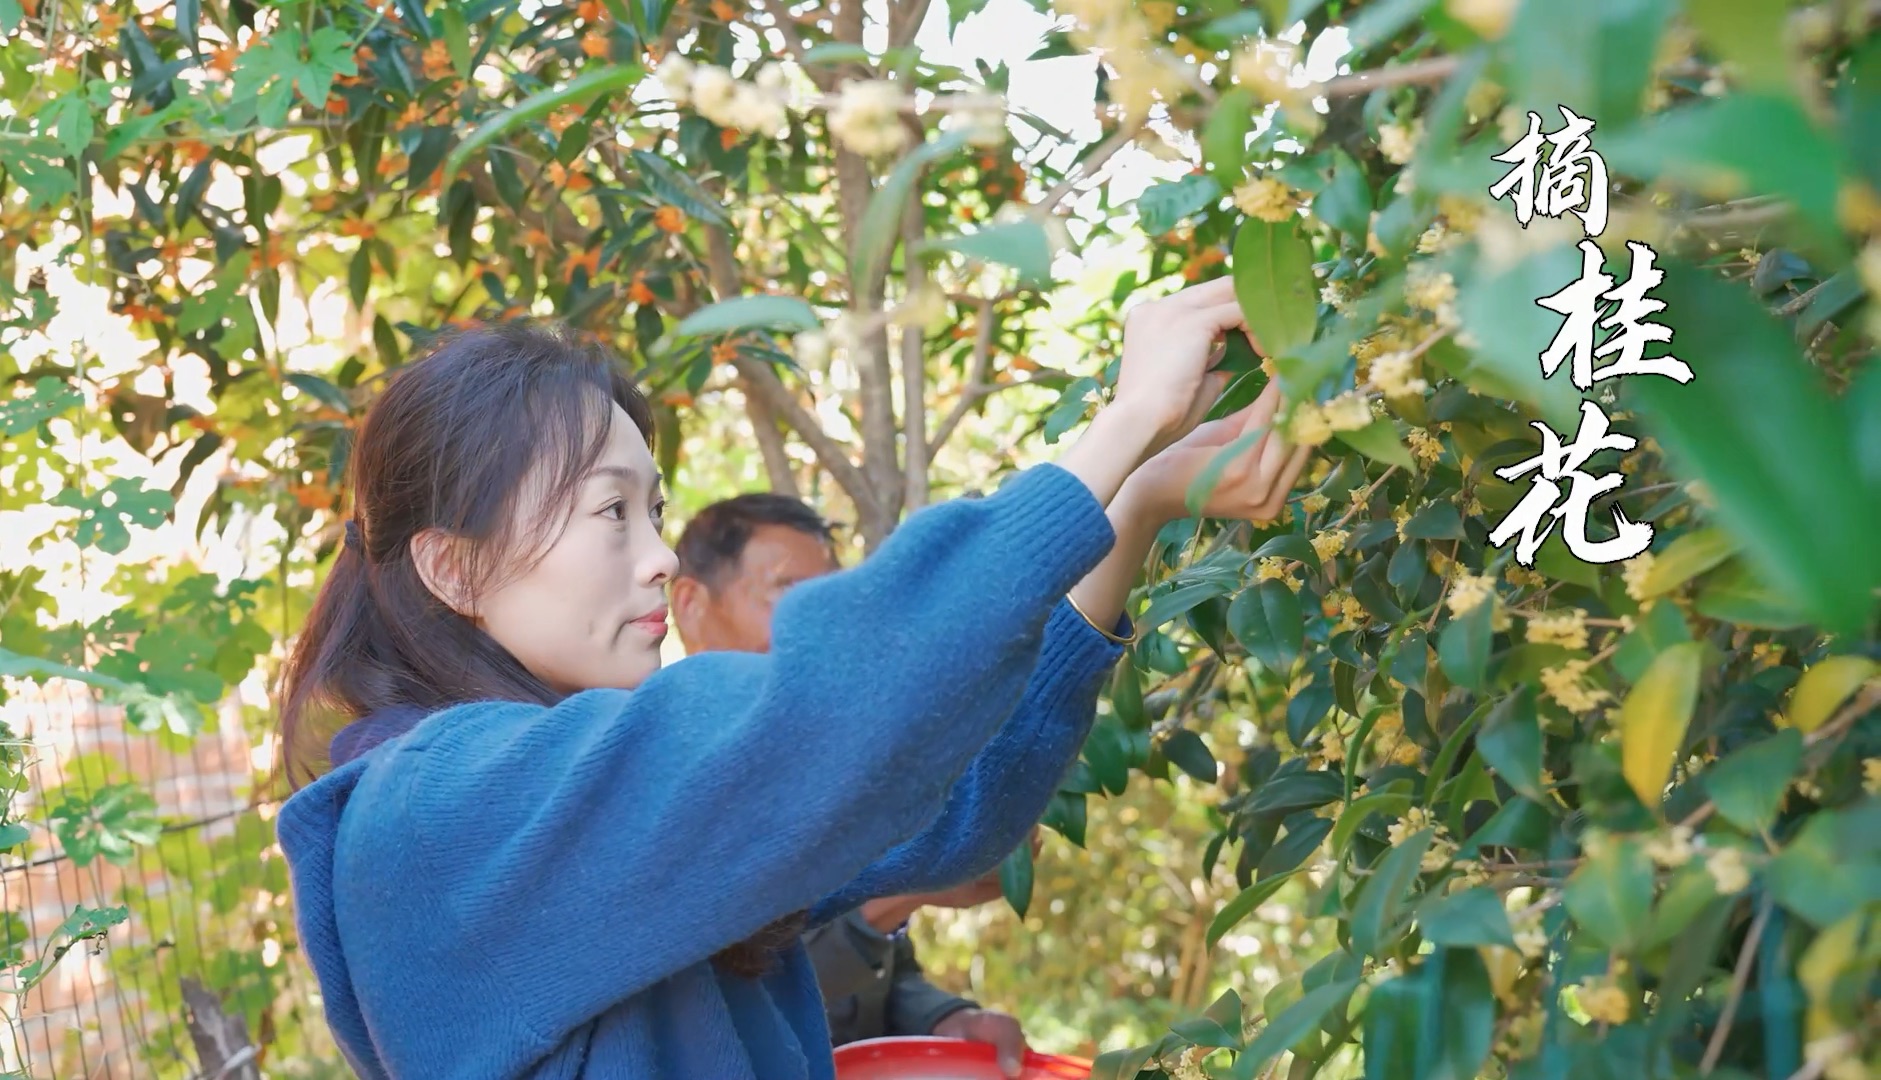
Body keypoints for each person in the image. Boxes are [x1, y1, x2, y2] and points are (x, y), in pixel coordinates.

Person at [274, 277, 1311, 1080]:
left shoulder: (572, 807)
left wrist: (1134, 508)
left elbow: (954, 816)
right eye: (610, 512)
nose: (660, 556)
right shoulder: (440, 810)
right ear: (454, 565)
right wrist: (1123, 423)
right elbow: (834, 709)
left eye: (654, 508)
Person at [669, 494, 1029, 1068]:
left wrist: (945, 1019)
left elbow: (883, 974)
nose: (825, 628)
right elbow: (736, 992)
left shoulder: (816, 764)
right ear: (689, 604)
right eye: (790, 593)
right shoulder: (661, 777)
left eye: (831, 599)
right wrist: (911, 889)